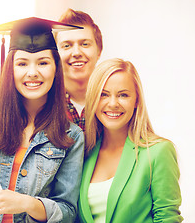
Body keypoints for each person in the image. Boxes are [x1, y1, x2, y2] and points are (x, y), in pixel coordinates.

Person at [0, 17, 85, 222]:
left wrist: (27, 203)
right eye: (22, 63)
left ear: (55, 69)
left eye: (43, 62)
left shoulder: (71, 136)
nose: (32, 73)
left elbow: (68, 213)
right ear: (10, 69)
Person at [77, 58, 183, 222]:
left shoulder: (158, 152)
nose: (113, 103)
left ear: (136, 100)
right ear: (93, 99)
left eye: (123, 95)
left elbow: (167, 218)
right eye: (103, 95)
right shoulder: (84, 153)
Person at [55, 9, 103, 132]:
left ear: (99, 51)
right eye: (67, 45)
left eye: (85, 44)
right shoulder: (43, 104)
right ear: (54, 54)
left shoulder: (112, 103)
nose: (76, 53)